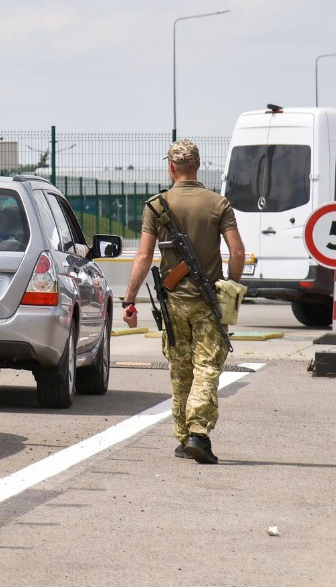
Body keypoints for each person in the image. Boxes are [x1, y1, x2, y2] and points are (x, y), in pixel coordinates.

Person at [121, 139, 246, 465]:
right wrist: (232, 286)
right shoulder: (219, 204)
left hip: (173, 302)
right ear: (198, 165)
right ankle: (198, 433)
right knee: (207, 367)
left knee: (180, 369)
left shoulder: (157, 205)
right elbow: (237, 252)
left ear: (171, 167)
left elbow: (144, 256)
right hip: (208, 303)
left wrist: (129, 299)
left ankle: (182, 436)